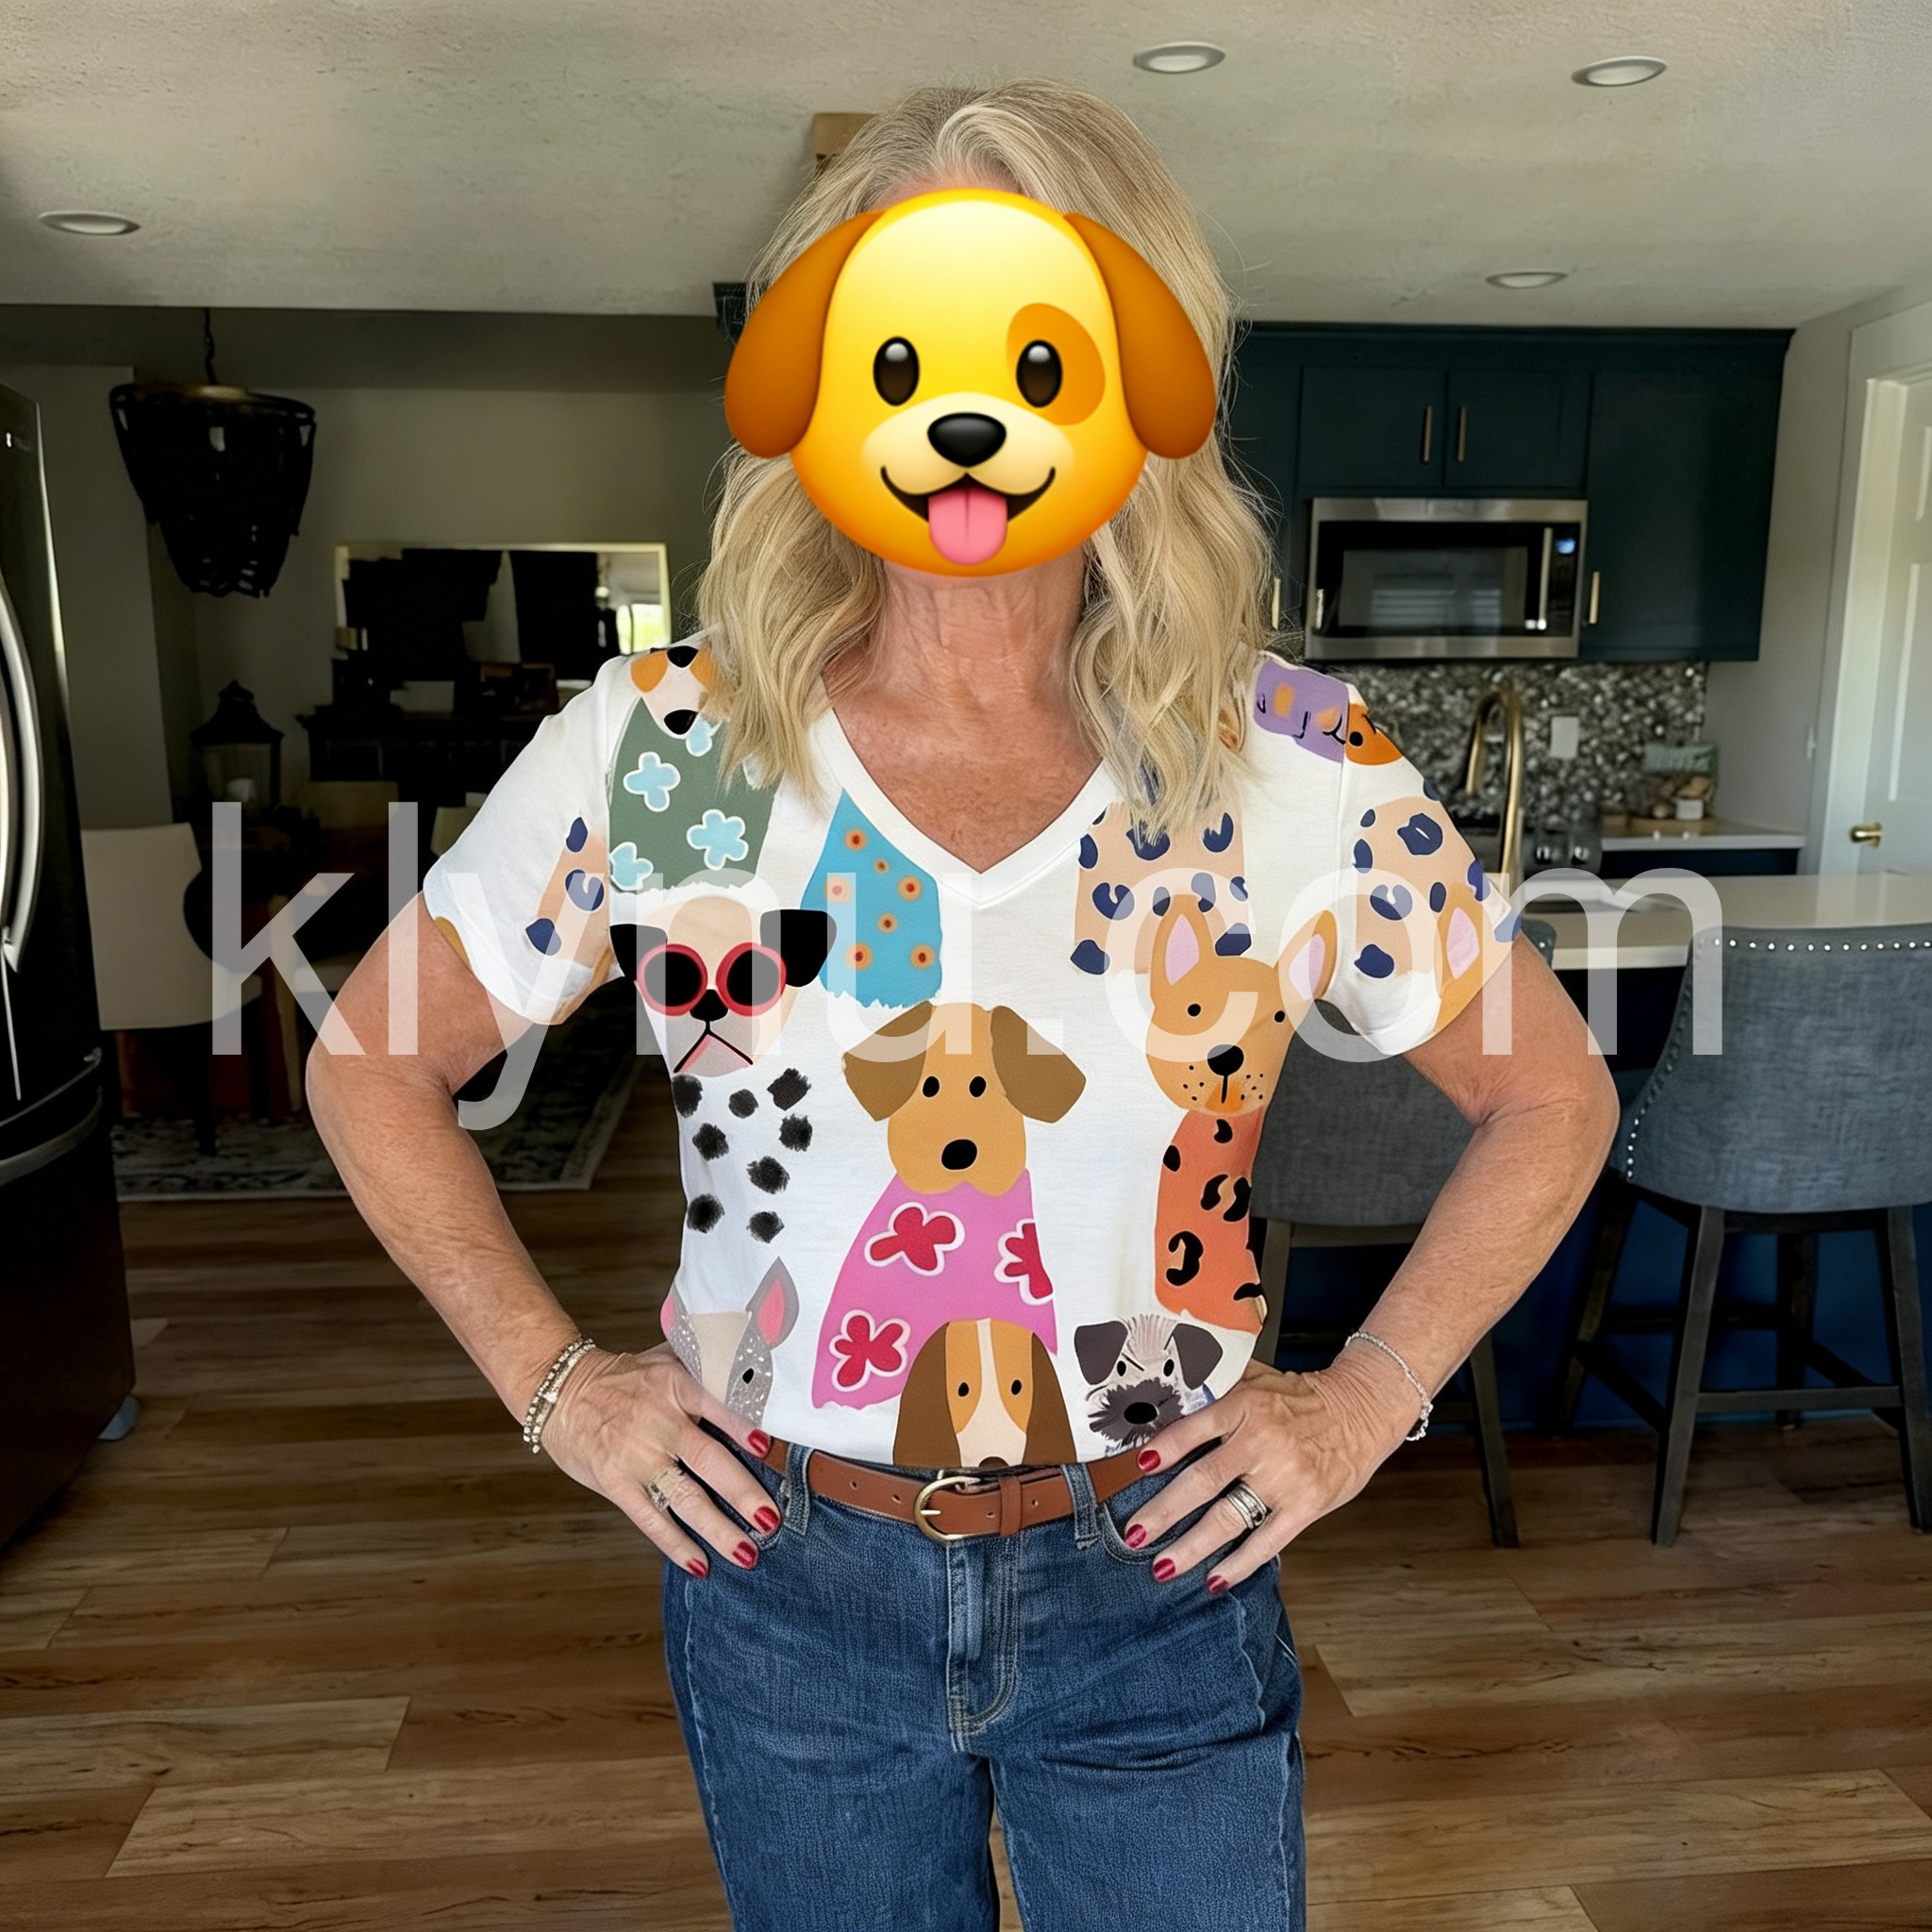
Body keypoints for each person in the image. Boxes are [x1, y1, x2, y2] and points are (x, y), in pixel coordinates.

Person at [309, 78, 1617, 1932]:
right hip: (783, 1572)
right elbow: (372, 1062)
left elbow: (1554, 1096)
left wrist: (1362, 1407)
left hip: (1156, 1566)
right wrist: (558, 1389)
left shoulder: (1292, 762)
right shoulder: (673, 745)